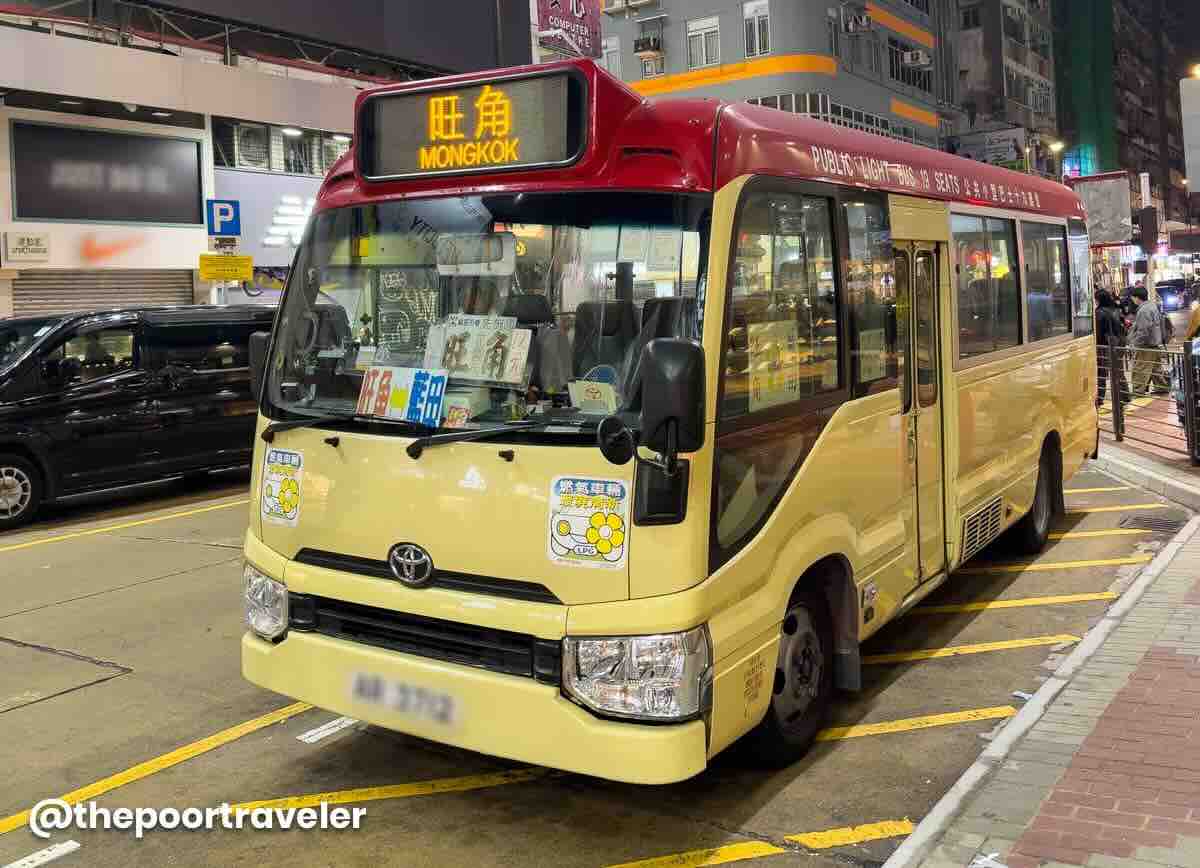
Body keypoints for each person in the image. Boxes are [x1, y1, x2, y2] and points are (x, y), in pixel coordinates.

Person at [1127, 285, 1168, 395]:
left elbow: (1143, 331)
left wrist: (1135, 344)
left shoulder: (1143, 311)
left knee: (1140, 370)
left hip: (1146, 345)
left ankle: (1137, 391)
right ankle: (1162, 387)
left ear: (1136, 298)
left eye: (1132, 298)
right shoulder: (1152, 306)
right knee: (1155, 368)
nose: (1132, 300)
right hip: (1155, 343)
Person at [1095, 289, 1129, 405]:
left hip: (1105, 345)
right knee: (1118, 371)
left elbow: (1099, 332)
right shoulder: (1116, 309)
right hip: (1119, 343)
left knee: (1101, 372)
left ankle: (1100, 398)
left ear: (1099, 300)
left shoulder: (1099, 312)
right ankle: (1125, 395)